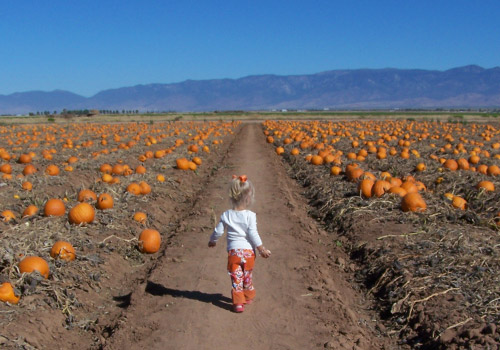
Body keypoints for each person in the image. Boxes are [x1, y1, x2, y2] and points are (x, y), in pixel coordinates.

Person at [208, 175, 271, 313]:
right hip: (248, 254)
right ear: (249, 198)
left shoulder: (226, 215)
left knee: (236, 278)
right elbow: (253, 234)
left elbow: (218, 231)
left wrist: (212, 241)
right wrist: (261, 249)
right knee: (247, 275)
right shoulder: (250, 215)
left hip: (234, 254)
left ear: (231, 196)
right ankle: (248, 296)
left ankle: (238, 303)